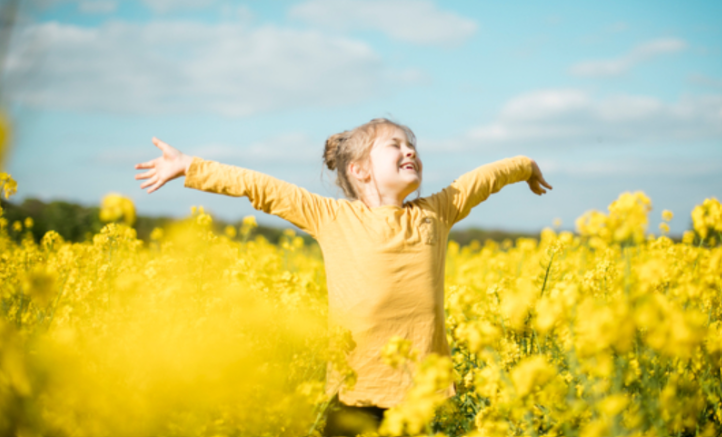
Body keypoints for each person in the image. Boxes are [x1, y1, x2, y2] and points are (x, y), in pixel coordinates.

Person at [134, 118, 552, 436]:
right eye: (395, 145)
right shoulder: (331, 216)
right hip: (355, 390)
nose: (409, 150)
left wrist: (525, 165)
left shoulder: (436, 212)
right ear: (360, 170)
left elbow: (482, 180)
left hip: (421, 390)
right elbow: (262, 188)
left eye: (411, 145)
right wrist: (190, 167)